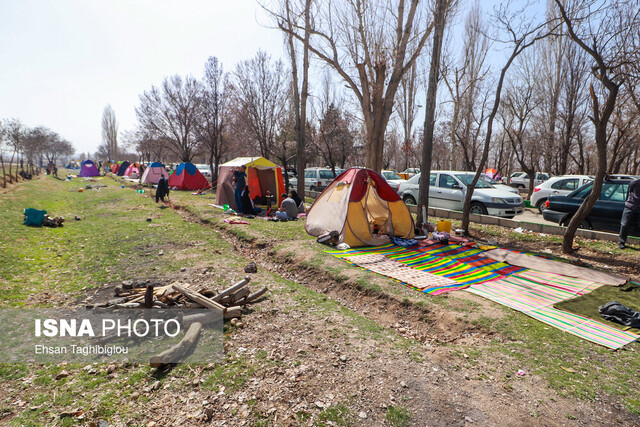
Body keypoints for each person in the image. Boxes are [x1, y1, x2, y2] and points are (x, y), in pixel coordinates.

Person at [619, 178, 640, 249]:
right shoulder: (634, 182)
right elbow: (629, 191)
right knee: (624, 224)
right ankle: (621, 242)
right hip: (630, 205)